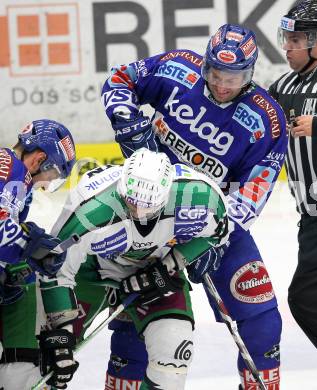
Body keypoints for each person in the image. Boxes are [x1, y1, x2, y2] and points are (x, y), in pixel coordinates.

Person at [101, 23, 288, 389]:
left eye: (234, 78)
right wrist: (126, 119)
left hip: (214, 223)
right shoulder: (178, 68)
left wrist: (208, 240)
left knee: (261, 319)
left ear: (250, 75)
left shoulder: (268, 121)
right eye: (216, 73)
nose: (222, 84)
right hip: (146, 214)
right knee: (135, 321)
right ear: (204, 63)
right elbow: (120, 79)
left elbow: (250, 199)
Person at [37, 148, 230, 390]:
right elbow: (55, 268)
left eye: (148, 206)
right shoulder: (92, 207)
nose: (139, 212)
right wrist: (62, 333)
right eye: (132, 203)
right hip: (89, 271)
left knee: (174, 358)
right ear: (121, 187)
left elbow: (219, 232)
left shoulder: (197, 195)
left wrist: (171, 264)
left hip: (153, 268)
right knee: (46, 361)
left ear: (166, 193)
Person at [269, 0, 317, 363]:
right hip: (313, 219)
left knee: (307, 297)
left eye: (296, 39)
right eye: (286, 38)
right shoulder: (283, 86)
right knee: (309, 299)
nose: (287, 47)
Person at [0, 119, 77, 390]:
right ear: (41, 159)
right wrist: (29, 245)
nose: (48, 183)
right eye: (53, 175)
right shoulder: (10, 169)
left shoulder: (17, 177)